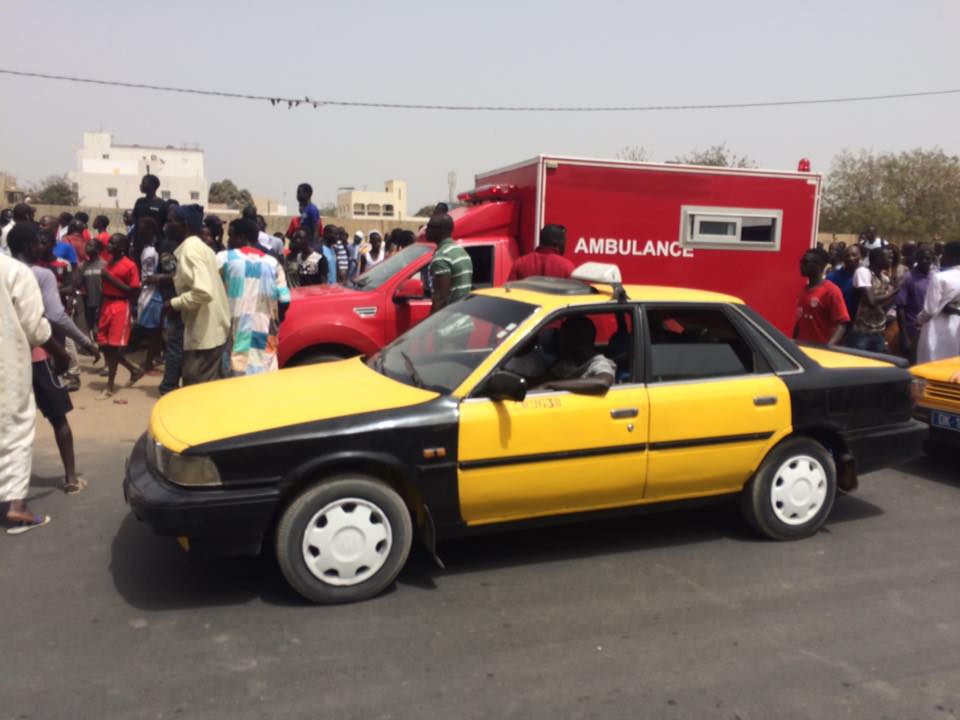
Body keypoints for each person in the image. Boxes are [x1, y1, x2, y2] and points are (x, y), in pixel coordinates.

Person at [8, 223, 98, 494]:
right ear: (29, 246)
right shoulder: (40, 274)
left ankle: (11, 487)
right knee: (58, 417)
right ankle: (71, 478)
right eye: (39, 242)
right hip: (38, 355)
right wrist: (84, 343)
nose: (43, 246)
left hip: (9, 359)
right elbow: (55, 316)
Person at [0, 251, 71, 533]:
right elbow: (35, 327)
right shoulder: (15, 271)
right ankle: (17, 506)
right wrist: (61, 354)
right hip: (8, 365)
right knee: (16, 430)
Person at [165, 204, 230, 386]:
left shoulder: (190, 250)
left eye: (171, 221)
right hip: (213, 331)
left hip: (204, 337)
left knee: (197, 392)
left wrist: (173, 303)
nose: (167, 225)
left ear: (184, 224)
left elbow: (203, 292)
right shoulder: (202, 248)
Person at [217, 218, 290, 375]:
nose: (228, 240)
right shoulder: (273, 263)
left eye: (231, 236)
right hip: (264, 334)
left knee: (234, 383)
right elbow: (285, 299)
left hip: (234, 333)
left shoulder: (224, 259)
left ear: (241, 237)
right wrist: (275, 320)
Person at [511, 316, 616, 394]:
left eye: (561, 336)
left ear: (575, 340)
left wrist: (549, 385)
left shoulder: (598, 363)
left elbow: (603, 382)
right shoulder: (567, 363)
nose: (556, 340)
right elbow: (540, 380)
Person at [99, 233, 144, 397]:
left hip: (120, 305)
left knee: (114, 347)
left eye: (113, 243)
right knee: (104, 345)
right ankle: (134, 370)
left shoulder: (130, 265)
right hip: (106, 304)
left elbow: (132, 291)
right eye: (109, 242)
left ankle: (110, 386)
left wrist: (109, 278)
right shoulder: (109, 263)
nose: (109, 245)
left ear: (122, 247)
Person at [916, 241, 960, 364]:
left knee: (930, 366)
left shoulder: (939, 277)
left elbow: (929, 311)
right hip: (956, 328)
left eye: (945, 254)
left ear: (954, 258)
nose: (942, 257)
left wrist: (918, 320)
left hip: (936, 329)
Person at [793, 248, 849, 346]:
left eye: (805, 262)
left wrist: (828, 347)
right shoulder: (804, 290)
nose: (801, 265)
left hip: (821, 351)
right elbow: (800, 323)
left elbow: (842, 324)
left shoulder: (831, 291)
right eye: (801, 261)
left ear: (818, 266)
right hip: (803, 349)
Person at [847, 247, 898, 353]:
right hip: (861, 332)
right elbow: (871, 301)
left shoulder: (885, 279)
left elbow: (883, 307)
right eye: (888, 258)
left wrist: (894, 294)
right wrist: (894, 292)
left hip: (878, 333)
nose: (890, 260)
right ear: (877, 259)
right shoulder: (863, 272)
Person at [895, 245, 934, 363]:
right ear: (916, 259)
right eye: (921, 258)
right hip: (913, 330)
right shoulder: (908, 278)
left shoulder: (936, 277)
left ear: (932, 259)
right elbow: (900, 308)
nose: (924, 261)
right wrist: (904, 335)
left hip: (932, 330)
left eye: (927, 258)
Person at [427, 213, 472, 314]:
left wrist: (430, 326)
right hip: (464, 318)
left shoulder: (442, 257)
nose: (426, 230)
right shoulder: (461, 251)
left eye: (430, 226)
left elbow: (440, 299)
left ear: (440, 230)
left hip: (451, 324)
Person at [136, 217, 165, 373]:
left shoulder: (151, 251)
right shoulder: (149, 251)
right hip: (152, 293)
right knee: (154, 332)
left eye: (143, 228)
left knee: (155, 331)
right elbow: (148, 276)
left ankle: (151, 360)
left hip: (152, 293)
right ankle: (148, 364)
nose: (140, 232)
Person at [508, 224, 576, 280]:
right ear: (557, 244)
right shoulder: (567, 267)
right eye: (564, 243)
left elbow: (508, 292)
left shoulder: (520, 263)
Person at [131, 174, 167, 269]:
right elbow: (134, 222)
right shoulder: (139, 202)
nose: (141, 185)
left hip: (155, 245)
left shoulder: (162, 204)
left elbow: (165, 224)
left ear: (153, 185)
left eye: (143, 183)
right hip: (139, 244)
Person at [828, 244, 862, 335]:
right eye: (847, 256)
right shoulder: (832, 276)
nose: (850, 258)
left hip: (857, 325)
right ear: (843, 258)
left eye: (854, 255)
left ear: (860, 257)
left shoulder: (865, 276)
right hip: (836, 323)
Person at [80, 238, 106, 343]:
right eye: (87, 245)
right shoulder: (82, 266)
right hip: (89, 301)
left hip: (102, 301)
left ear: (98, 250)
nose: (87, 247)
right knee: (90, 324)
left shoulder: (104, 265)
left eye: (90, 245)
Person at [296, 183, 321, 250]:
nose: (297, 196)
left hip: (311, 248)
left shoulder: (312, 209)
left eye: (299, 193)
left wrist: (312, 247)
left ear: (306, 193)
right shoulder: (305, 209)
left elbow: (316, 229)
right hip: (305, 247)